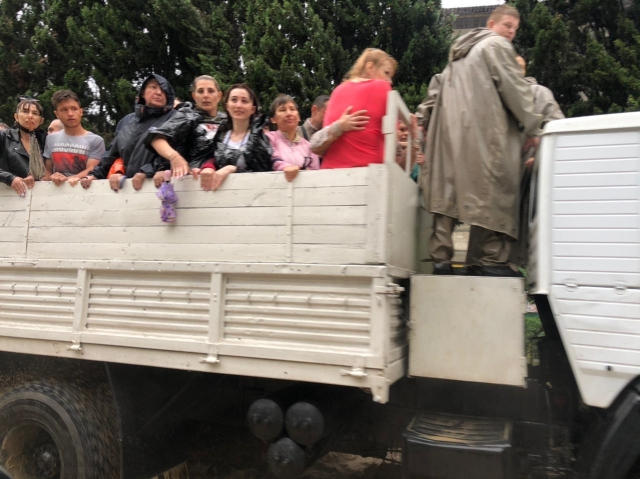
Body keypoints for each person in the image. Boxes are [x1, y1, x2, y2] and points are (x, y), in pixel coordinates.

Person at [418, 5, 543, 277]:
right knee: (494, 191)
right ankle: (490, 260)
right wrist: (534, 127)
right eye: (507, 25)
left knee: (447, 193)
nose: (511, 32)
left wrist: (422, 126)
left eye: (515, 28)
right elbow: (514, 89)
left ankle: (441, 259)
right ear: (491, 24)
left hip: (449, 136)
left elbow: (432, 97)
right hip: (485, 134)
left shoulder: (456, 59)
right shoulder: (496, 45)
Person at [81, 74, 177, 191]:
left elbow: (179, 150)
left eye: (163, 89)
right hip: (128, 190)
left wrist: (148, 171)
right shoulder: (126, 121)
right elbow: (111, 154)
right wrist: (95, 175)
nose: (158, 92)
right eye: (153, 87)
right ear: (142, 93)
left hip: (161, 189)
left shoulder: (174, 118)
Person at [310, 48, 396, 168]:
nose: (389, 81)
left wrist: (339, 127)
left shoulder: (337, 91)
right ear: (370, 67)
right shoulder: (382, 87)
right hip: (369, 170)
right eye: (386, 73)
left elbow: (316, 146)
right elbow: (394, 137)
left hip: (330, 170)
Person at [148, 75, 225, 184]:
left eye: (211, 91)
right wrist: (175, 157)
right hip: (191, 181)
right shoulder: (186, 115)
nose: (206, 95)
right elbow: (157, 139)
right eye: (200, 91)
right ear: (194, 96)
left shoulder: (228, 120)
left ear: (219, 96)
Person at [198, 84, 273, 191]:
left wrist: (232, 169)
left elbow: (264, 174)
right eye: (234, 100)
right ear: (227, 106)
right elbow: (212, 157)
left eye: (244, 101)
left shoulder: (259, 138)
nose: (238, 105)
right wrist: (208, 167)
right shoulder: (221, 134)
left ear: (252, 109)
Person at [43, 90, 105, 187]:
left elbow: (92, 170)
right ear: (57, 114)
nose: (70, 113)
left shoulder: (96, 140)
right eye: (64, 109)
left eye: (74, 109)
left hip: (85, 190)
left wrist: (67, 180)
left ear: (81, 112)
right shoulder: (50, 139)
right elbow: (48, 171)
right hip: (56, 190)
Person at [0, 96, 46, 197]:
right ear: (16, 116)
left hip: (41, 196)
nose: (30, 116)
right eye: (25, 111)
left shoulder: (45, 140)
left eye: (35, 113)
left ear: (41, 120)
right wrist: (10, 178)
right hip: (7, 197)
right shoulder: (3, 137)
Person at [266, 95, 319, 182]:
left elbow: (315, 174)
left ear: (299, 117)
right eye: (283, 110)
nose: (289, 113)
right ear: (273, 119)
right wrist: (285, 167)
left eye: (292, 109)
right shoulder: (269, 138)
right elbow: (273, 159)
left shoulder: (309, 147)